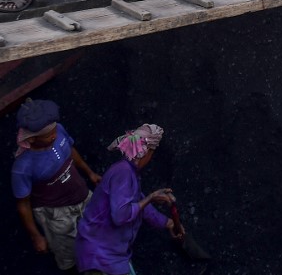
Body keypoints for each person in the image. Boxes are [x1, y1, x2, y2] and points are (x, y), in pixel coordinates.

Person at [76, 124, 182, 274]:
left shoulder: (129, 171)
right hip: (99, 257)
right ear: (147, 153)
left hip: (111, 253)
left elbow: (138, 202)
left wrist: (167, 222)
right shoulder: (123, 173)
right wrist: (151, 198)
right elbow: (120, 216)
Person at [11, 99, 102, 272]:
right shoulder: (22, 168)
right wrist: (36, 236)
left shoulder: (58, 131)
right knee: (67, 247)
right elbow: (23, 205)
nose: (54, 136)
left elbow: (71, 150)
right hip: (56, 213)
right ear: (31, 138)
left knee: (96, 229)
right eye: (47, 135)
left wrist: (89, 173)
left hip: (82, 195)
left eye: (54, 130)